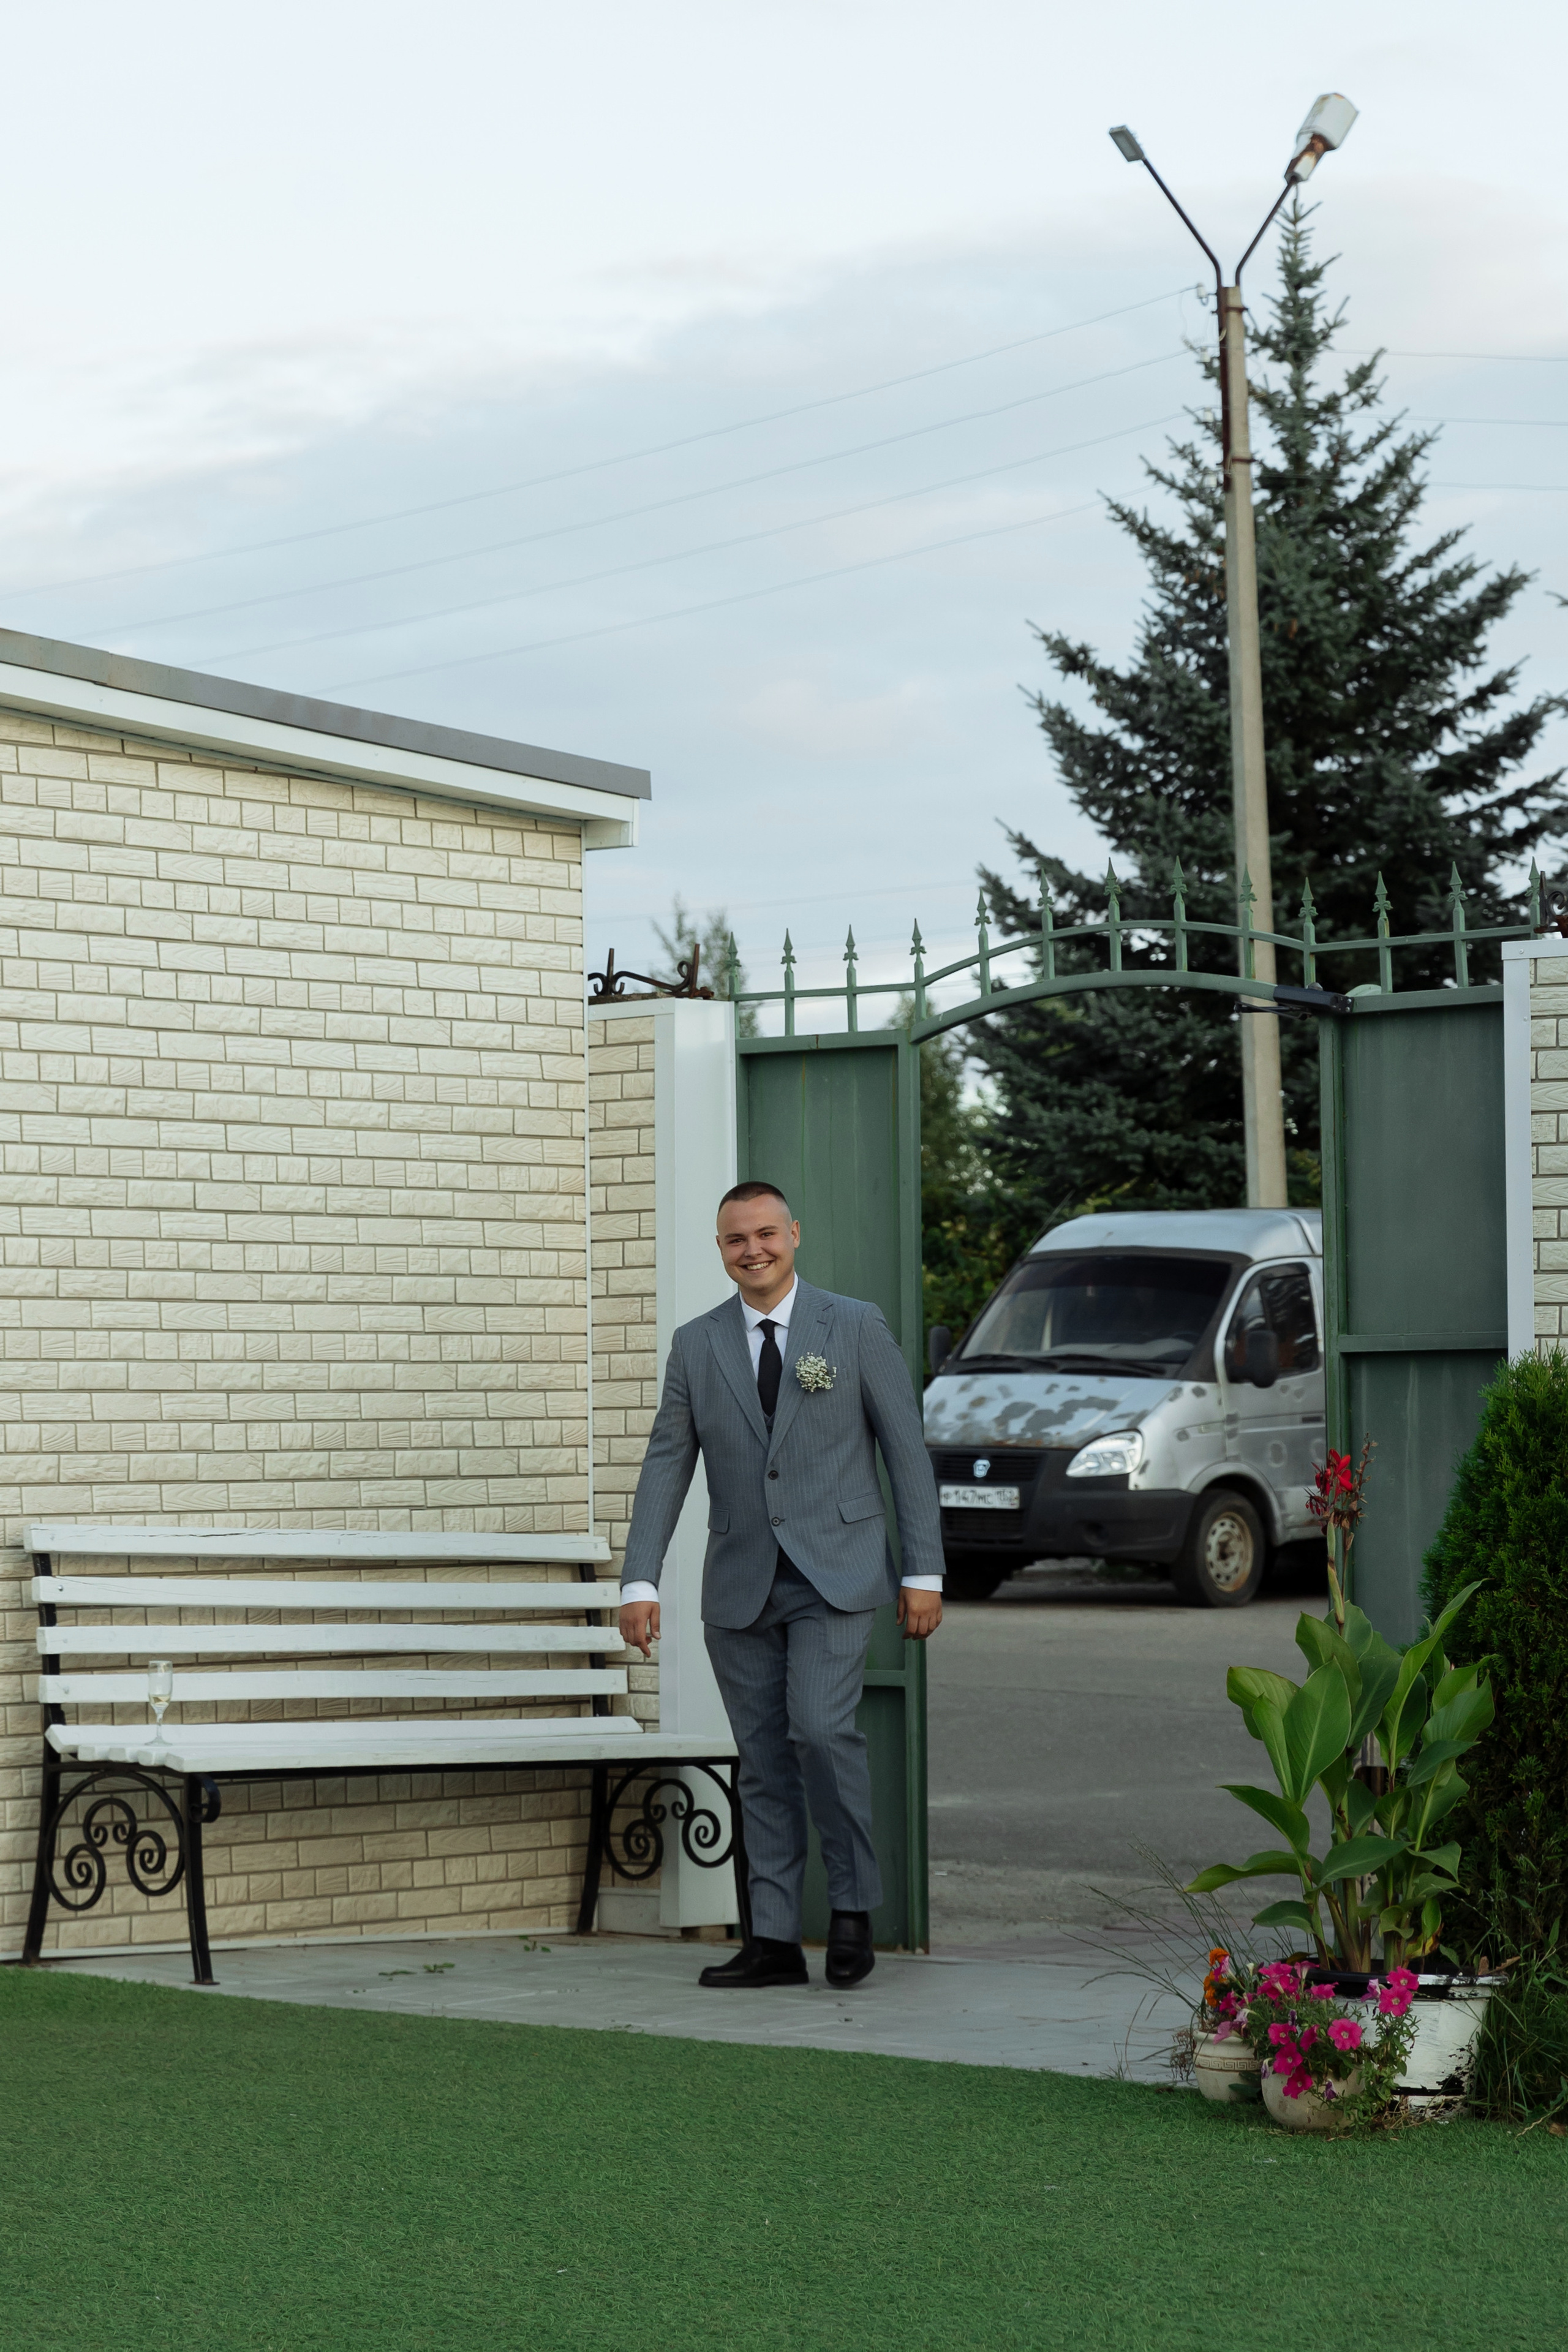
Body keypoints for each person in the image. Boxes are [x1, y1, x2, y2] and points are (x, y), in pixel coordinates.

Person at [619, 1180, 944, 1991]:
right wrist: (640, 1579)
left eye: (766, 1233)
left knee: (819, 1733)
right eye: (736, 1239)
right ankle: (770, 1938)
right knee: (762, 1759)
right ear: (722, 1248)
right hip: (739, 1585)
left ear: (794, 1234)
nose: (753, 1250)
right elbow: (668, 1464)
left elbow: (905, 1452)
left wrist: (923, 1570)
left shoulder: (854, 1326)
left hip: (836, 1573)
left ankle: (851, 1910)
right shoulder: (697, 1345)